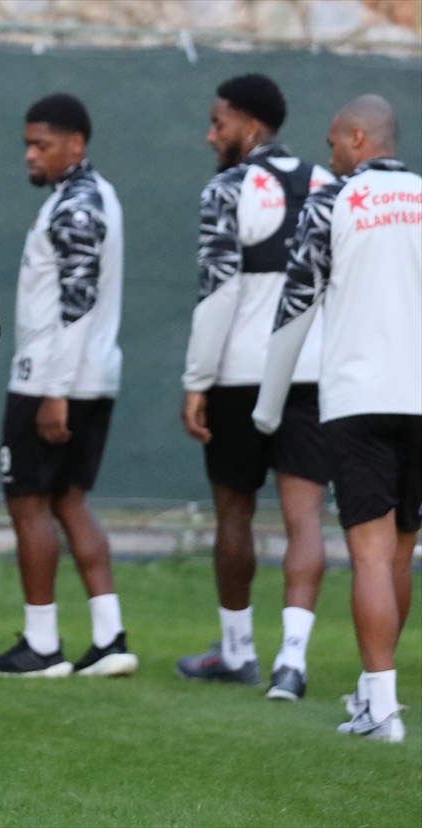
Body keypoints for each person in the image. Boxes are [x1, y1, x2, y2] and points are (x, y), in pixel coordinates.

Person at [254, 95, 420, 741]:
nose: (329, 156)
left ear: (357, 138)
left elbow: (296, 304)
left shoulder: (334, 201)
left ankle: (381, 710)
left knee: (370, 556)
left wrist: (269, 406)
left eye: (332, 143)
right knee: (400, 553)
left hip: (358, 398)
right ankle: (373, 696)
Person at [177, 74, 334, 701]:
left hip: (241, 375)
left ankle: (238, 651)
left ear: (249, 126)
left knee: (234, 511)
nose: (210, 136)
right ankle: (292, 662)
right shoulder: (328, 185)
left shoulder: (227, 188)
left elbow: (218, 291)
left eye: (218, 124)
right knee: (305, 518)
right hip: (313, 373)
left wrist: (196, 381)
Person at [0, 93, 138, 679]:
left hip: (51, 379)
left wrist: (55, 390)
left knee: (28, 502)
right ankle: (109, 637)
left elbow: (76, 304)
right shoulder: (101, 195)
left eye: (42, 145)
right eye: (27, 144)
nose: (30, 154)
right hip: (94, 376)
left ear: (76, 144)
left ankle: (42, 645)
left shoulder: (75, 206)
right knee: (69, 501)